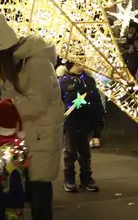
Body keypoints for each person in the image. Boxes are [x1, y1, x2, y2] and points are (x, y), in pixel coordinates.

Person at [0, 12, 63, 220]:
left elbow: (37, 102)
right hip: (25, 137)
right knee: (23, 193)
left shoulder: (37, 62)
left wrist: (3, 108)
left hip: (41, 136)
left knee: (40, 193)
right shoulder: (15, 63)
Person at [57, 61, 103, 193]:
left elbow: (96, 100)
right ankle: (69, 178)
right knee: (70, 152)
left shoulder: (89, 80)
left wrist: (97, 121)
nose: (81, 65)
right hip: (71, 123)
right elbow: (60, 101)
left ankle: (86, 178)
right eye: (77, 62)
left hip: (86, 122)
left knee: (85, 153)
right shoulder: (63, 82)